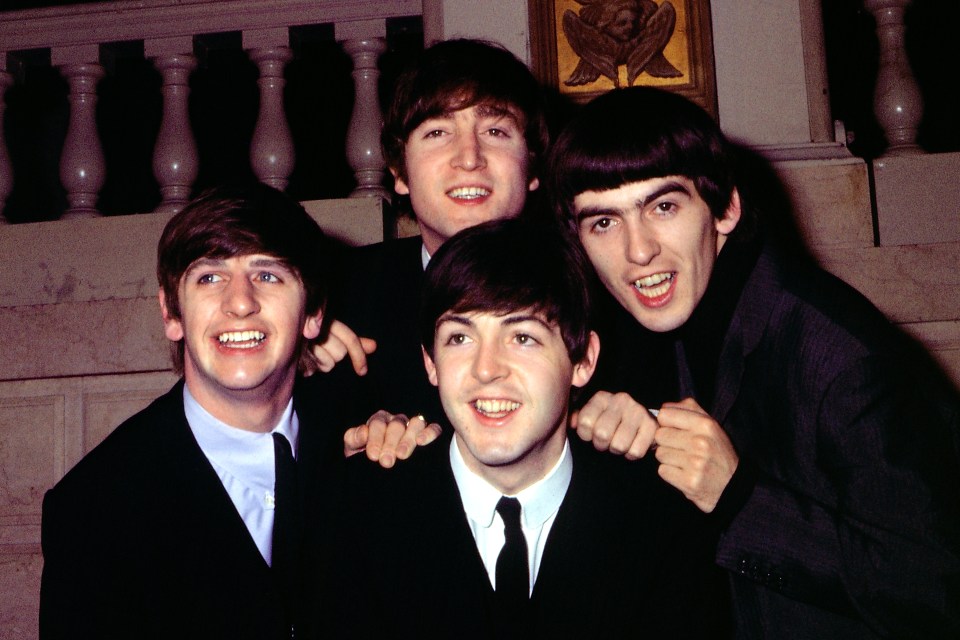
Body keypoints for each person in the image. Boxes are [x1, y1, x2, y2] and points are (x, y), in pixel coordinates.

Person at [547, 86, 960, 638]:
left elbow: (936, 590)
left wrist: (738, 496)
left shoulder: (841, 358)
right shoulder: (664, 322)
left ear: (725, 209)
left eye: (663, 206)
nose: (637, 250)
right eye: (604, 222)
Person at [326, 217, 730, 639]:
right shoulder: (359, 513)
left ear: (583, 361)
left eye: (522, 338)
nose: (486, 370)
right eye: (459, 339)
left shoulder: (660, 525)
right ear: (430, 362)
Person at [39, 184, 348, 640]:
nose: (240, 302)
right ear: (171, 312)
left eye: (268, 275)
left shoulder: (362, 452)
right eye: (209, 277)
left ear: (314, 312)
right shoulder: (95, 507)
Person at [312, 38, 550, 466]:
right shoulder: (334, 300)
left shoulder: (592, 293)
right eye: (438, 132)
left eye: (495, 131)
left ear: (531, 167)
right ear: (399, 172)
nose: (469, 158)